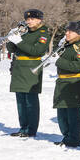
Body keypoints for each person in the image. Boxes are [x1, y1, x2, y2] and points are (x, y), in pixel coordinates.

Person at [5, 8, 51, 138]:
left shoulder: (43, 34)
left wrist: (19, 41)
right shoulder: (25, 33)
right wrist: (11, 38)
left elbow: (36, 51)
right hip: (19, 69)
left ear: (39, 20)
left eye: (32, 19)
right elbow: (12, 49)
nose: (29, 21)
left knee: (30, 101)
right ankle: (23, 127)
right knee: (20, 101)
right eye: (27, 19)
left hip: (31, 68)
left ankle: (31, 129)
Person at [52, 21, 80, 148]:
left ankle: (74, 139)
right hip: (62, 82)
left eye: (70, 31)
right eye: (66, 31)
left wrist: (58, 61)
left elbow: (77, 65)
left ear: (79, 33)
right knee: (62, 113)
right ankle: (66, 136)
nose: (67, 33)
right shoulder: (68, 44)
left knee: (73, 113)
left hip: (75, 82)